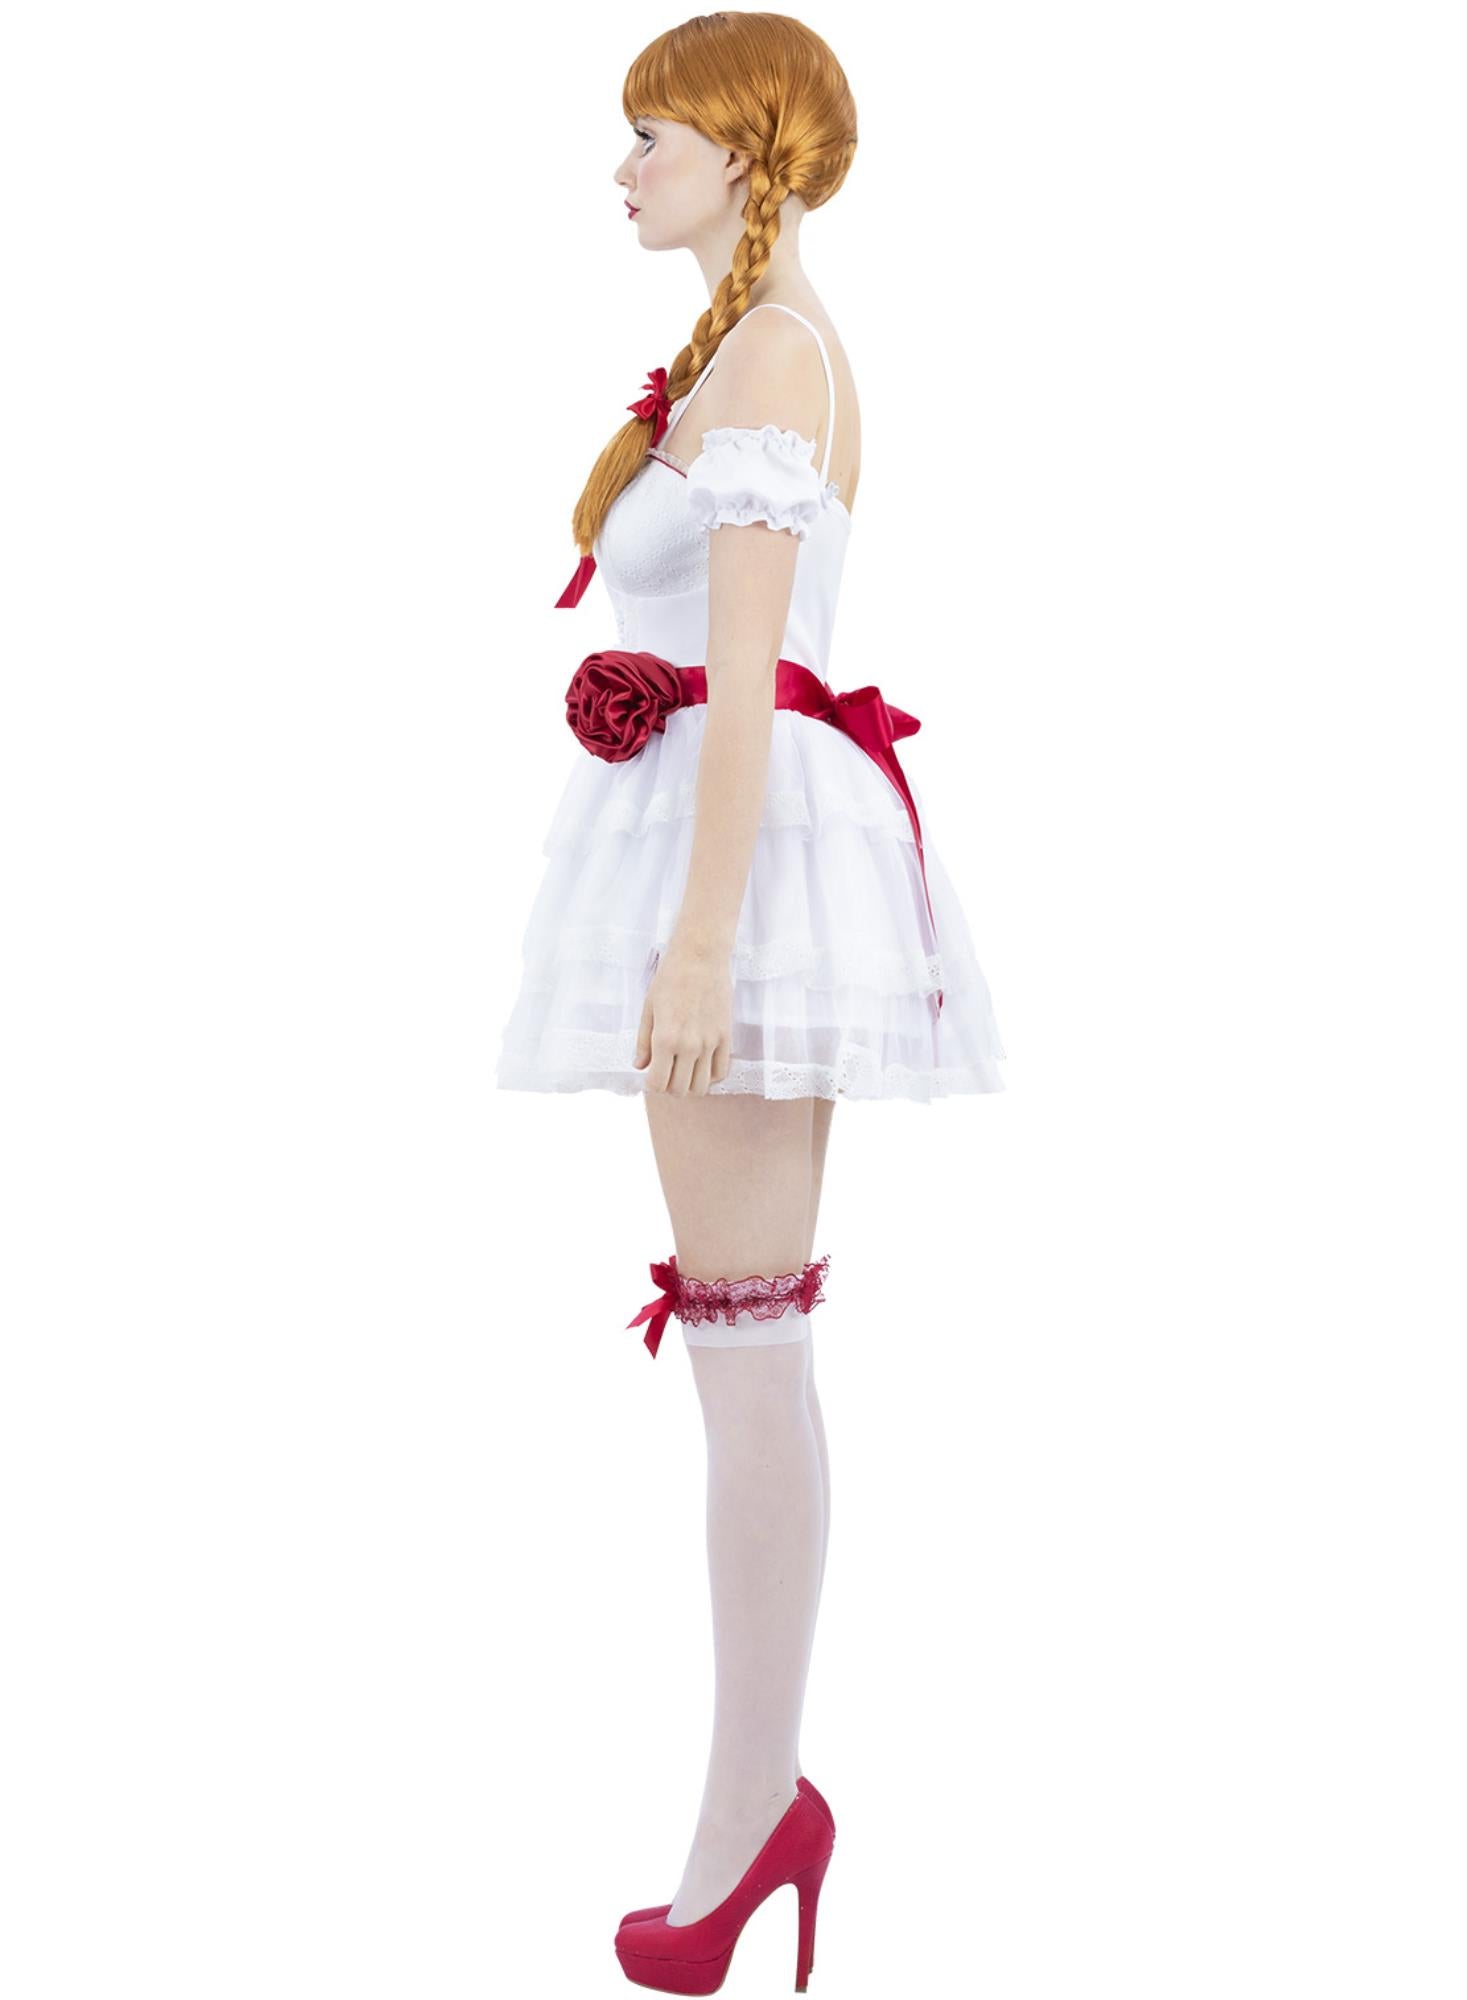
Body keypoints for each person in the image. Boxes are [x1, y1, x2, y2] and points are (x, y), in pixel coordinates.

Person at [494, 13, 1006, 1990]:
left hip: (750, 860)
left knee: (747, 1344)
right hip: (728, 848)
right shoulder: (738, 351)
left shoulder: (778, 354)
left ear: (741, 147)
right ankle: (759, 1802)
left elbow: (740, 667)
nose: (622, 167)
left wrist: (702, 937)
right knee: (745, 1338)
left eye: (651, 134)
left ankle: (749, 1813)